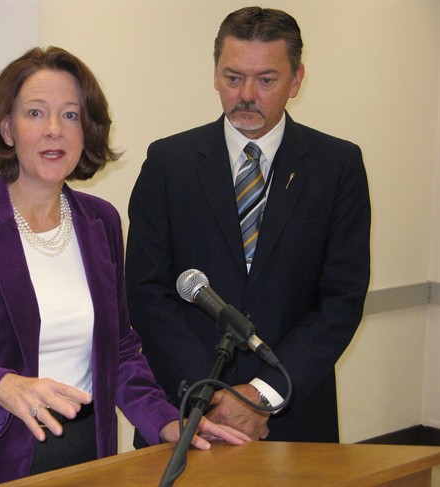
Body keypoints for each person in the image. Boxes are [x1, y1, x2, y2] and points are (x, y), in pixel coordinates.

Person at [0, 46, 250, 487]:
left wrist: (165, 421)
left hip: (83, 457)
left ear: (87, 130)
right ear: (6, 128)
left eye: (70, 115)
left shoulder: (101, 221)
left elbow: (119, 351)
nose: (54, 130)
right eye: (35, 113)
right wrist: (1, 386)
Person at [126, 6, 370, 445]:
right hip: (188, 411)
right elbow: (146, 292)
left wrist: (260, 395)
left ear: (296, 80)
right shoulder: (168, 163)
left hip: (292, 414)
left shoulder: (337, 166)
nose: (247, 95)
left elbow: (341, 300)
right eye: (233, 77)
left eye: (266, 80)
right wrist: (212, 394)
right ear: (215, 75)